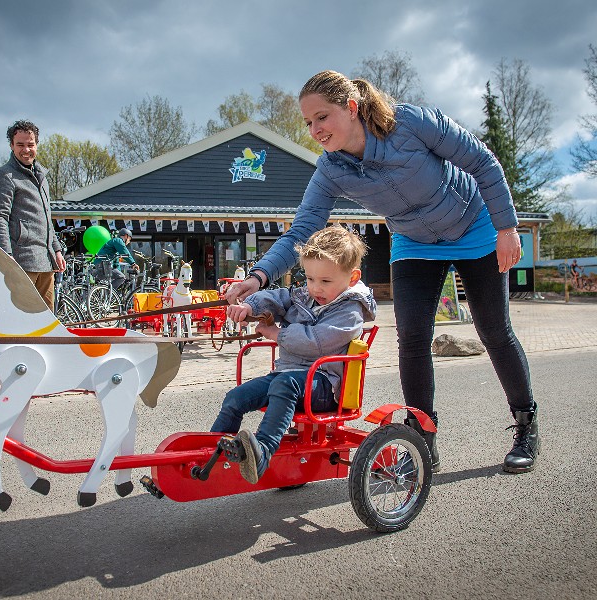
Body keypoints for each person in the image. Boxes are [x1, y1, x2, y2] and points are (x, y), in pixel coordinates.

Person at [226, 70, 539, 474]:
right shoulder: (331, 169)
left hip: (474, 226)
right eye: (308, 122)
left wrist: (507, 227)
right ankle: (422, 440)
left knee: (494, 330)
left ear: (351, 107)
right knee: (410, 336)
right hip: (413, 241)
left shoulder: (411, 123)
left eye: (322, 117)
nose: (315, 130)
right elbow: (303, 231)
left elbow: (482, 161)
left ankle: (526, 424)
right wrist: (257, 278)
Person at [212, 226, 376, 484]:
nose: (315, 288)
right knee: (236, 397)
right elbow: (278, 298)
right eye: (310, 279)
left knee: (283, 384)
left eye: (325, 281)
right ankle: (212, 451)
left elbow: (317, 342)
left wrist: (277, 334)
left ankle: (263, 452)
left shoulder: (350, 311)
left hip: (324, 385)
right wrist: (249, 305)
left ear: (352, 278)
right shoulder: (306, 296)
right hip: (288, 377)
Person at [0, 120, 65, 311]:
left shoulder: (42, 177)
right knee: (20, 318)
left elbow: (46, 218)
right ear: (11, 146)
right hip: (22, 263)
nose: (26, 150)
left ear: (36, 145)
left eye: (30, 144)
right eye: (20, 144)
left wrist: (56, 249)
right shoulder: (4, 177)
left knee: (47, 321)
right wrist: (6, 257)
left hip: (46, 263)